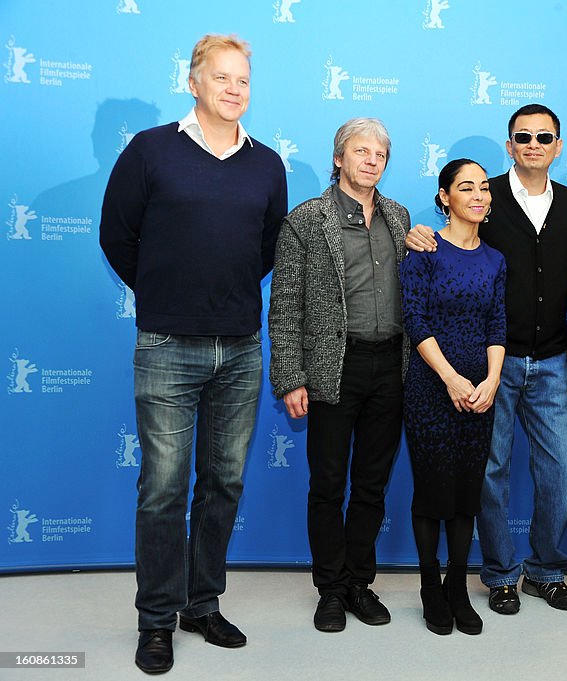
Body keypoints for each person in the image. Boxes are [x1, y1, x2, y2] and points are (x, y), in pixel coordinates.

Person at [99, 34, 288, 674]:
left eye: (243, 80)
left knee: (224, 483)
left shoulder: (267, 164)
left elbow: (267, 248)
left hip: (241, 347)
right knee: (163, 488)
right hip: (166, 345)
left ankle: (201, 603)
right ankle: (156, 619)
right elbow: (117, 236)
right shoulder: (151, 149)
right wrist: (165, 293)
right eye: (222, 78)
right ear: (194, 82)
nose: (234, 90)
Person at [406, 104, 567, 615]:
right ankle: (501, 575)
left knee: (562, 470)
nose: (533, 143)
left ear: (558, 146)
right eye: (523, 136)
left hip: (552, 360)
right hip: (495, 363)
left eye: (544, 136)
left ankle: (547, 570)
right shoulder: (487, 196)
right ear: (509, 145)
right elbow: (446, 245)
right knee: (490, 469)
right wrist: (411, 233)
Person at [268, 118, 410, 634]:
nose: (371, 161)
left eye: (380, 154)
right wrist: (289, 377)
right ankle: (330, 588)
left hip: (390, 366)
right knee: (328, 484)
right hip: (333, 369)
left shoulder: (398, 217)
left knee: (372, 485)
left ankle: (359, 582)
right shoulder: (306, 221)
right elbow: (284, 306)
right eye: (361, 151)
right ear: (339, 158)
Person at [400, 159, 506, 635]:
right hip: (431, 387)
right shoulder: (424, 251)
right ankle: (429, 588)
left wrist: (491, 381)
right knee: (433, 492)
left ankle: (458, 587)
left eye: (484, 188)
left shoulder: (495, 259)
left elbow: (497, 324)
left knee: (467, 496)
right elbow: (415, 321)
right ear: (445, 196)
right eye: (467, 188)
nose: (479, 196)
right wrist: (449, 378)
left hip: (480, 392)